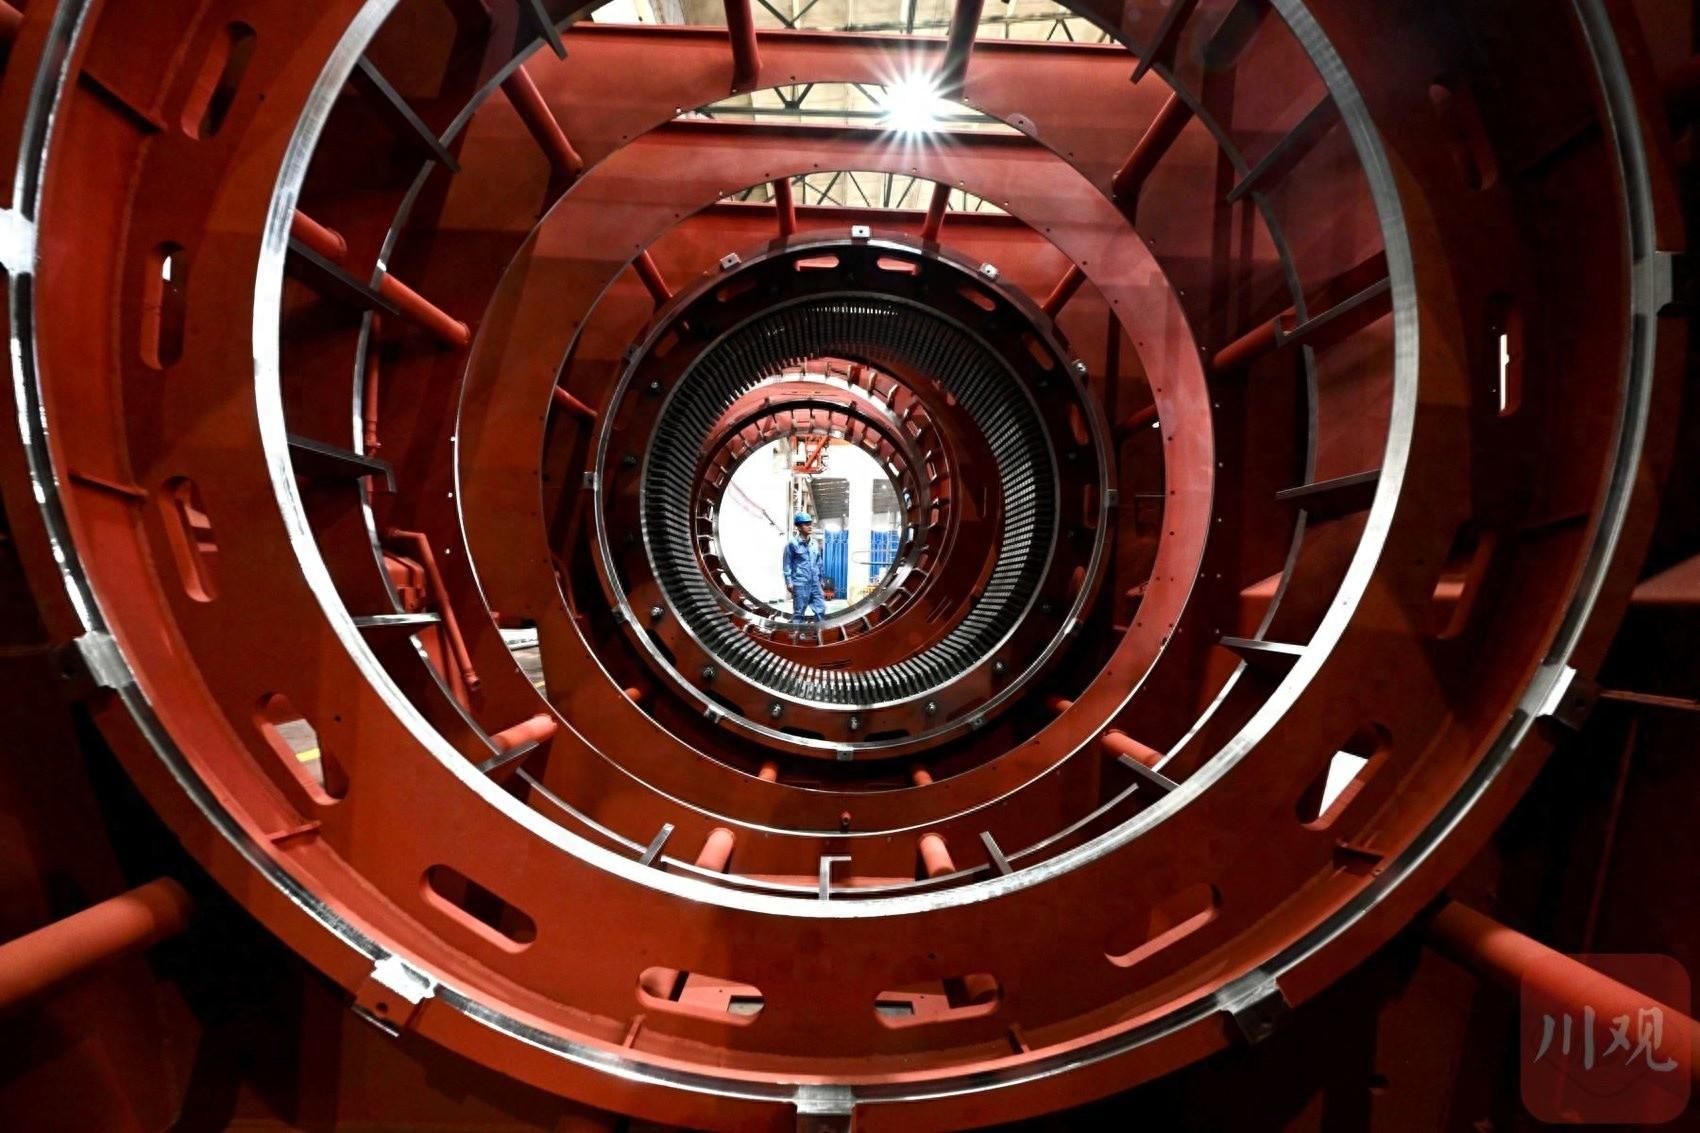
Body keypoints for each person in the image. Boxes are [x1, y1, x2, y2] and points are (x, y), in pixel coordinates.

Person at [782, 512, 827, 623]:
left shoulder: (814, 544)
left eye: (810, 523)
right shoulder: (792, 544)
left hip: (815, 583)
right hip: (800, 583)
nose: (810, 526)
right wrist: (789, 581)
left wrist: (821, 579)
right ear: (799, 527)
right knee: (799, 613)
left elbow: (819, 562)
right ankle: (797, 633)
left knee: (820, 609)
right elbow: (787, 564)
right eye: (806, 524)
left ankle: (820, 631)